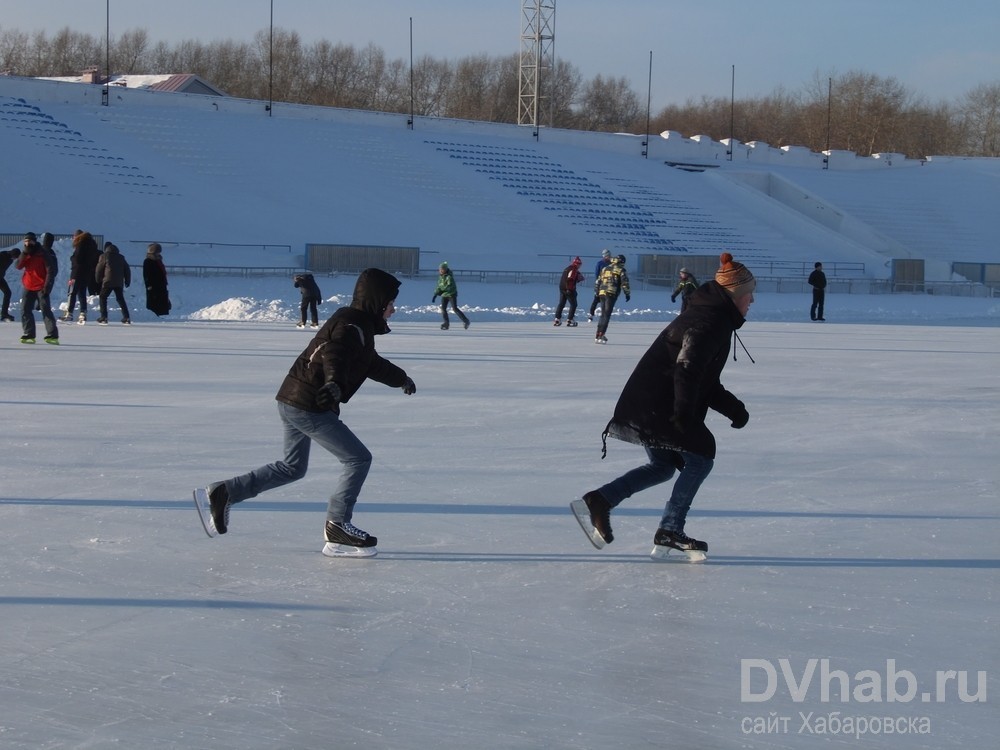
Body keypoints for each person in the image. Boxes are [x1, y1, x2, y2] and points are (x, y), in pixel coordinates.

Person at [199, 268, 417, 558]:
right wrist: (334, 385)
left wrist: (400, 377)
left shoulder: (358, 325)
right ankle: (338, 525)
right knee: (357, 459)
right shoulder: (349, 326)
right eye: (390, 302)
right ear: (377, 301)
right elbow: (334, 355)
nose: (393, 308)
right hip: (309, 404)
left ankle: (225, 492)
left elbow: (369, 362)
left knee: (292, 467)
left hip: (292, 399)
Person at [573, 252, 755, 558]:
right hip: (658, 403)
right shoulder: (709, 322)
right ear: (735, 294)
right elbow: (687, 369)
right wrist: (683, 415)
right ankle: (670, 529)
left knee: (663, 466)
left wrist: (733, 408)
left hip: (650, 399)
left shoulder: (713, 317)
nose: (751, 302)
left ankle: (601, 500)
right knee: (701, 457)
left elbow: (704, 379)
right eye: (749, 295)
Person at [15, 232, 59, 344]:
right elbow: (18, 266)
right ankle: (29, 334)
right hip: (28, 286)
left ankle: (52, 335)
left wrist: (47, 287)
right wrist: (24, 254)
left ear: (34, 241)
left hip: (41, 286)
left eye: (29, 241)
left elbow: (50, 271)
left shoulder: (43, 253)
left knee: (45, 310)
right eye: (25, 241)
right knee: (25, 309)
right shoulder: (26, 253)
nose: (27, 243)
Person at [62, 229, 101, 323]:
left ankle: (69, 313)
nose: (73, 238)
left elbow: (78, 259)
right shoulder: (92, 246)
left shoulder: (81, 244)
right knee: (82, 293)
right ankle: (83, 313)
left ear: (78, 237)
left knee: (72, 292)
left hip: (77, 272)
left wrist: (72, 258)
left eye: (74, 236)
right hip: (87, 273)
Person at [593, 254, 630, 344]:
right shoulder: (621, 270)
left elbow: (598, 281)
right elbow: (624, 283)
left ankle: (598, 334)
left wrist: (596, 292)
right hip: (611, 293)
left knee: (603, 314)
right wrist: (627, 293)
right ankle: (601, 334)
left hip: (602, 292)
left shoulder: (605, 268)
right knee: (606, 315)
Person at [94, 243, 132, 325]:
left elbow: (99, 268)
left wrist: (98, 279)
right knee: (120, 298)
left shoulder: (104, 256)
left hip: (108, 281)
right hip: (119, 282)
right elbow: (127, 269)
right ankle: (126, 317)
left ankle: (104, 317)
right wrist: (127, 280)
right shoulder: (121, 257)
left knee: (103, 297)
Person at [432, 261, 470, 330]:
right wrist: (435, 294)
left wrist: (441, 291)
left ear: (445, 269)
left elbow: (449, 287)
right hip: (444, 295)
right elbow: (439, 286)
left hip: (451, 294)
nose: (440, 271)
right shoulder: (441, 277)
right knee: (443, 309)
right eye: (439, 269)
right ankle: (446, 323)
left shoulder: (449, 277)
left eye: (442, 269)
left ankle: (466, 321)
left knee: (454, 308)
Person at [553, 256, 584, 327]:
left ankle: (557, 318)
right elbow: (570, 279)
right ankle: (570, 319)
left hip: (562, 288)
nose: (580, 266)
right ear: (576, 264)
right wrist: (569, 289)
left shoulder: (567, 268)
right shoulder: (574, 269)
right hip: (568, 289)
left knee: (561, 303)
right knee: (574, 304)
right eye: (579, 264)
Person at [143, 243, 171, 317]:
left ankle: (160, 314)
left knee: (161, 301)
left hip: (161, 285)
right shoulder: (148, 261)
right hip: (153, 285)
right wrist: (148, 285)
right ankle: (154, 315)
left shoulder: (158, 260)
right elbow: (146, 274)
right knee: (154, 301)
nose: (159, 254)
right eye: (158, 252)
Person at [587, 249, 612, 322]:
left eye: (609, 255)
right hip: (601, 284)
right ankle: (591, 315)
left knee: (606, 300)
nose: (609, 257)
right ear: (604, 256)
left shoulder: (611, 263)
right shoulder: (600, 263)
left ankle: (604, 315)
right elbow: (596, 274)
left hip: (608, 284)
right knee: (596, 299)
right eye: (607, 256)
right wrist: (597, 284)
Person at [0, 247, 21, 322]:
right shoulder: (2, 255)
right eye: (15, 257)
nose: (14, 259)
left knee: (8, 293)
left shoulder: (11, 258)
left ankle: (4, 314)